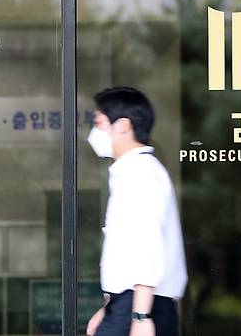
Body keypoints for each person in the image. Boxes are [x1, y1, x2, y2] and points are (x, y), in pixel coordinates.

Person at [85, 87, 187, 336]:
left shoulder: (140, 174)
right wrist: (110, 307)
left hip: (142, 305)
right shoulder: (132, 171)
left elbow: (147, 246)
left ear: (122, 126)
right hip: (133, 303)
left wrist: (140, 316)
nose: (94, 132)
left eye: (99, 123)